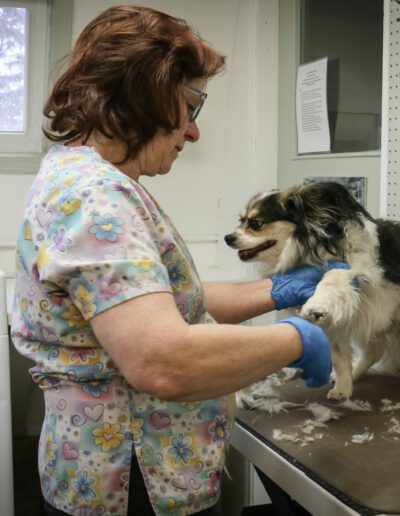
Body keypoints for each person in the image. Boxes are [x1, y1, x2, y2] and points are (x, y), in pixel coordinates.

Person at [11, 5, 340, 516]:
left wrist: (278, 291)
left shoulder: (81, 179)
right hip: (131, 481)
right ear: (150, 95)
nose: (192, 131)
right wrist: (295, 339)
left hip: (115, 468)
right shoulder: (97, 198)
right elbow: (162, 359)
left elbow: (151, 306)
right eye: (192, 104)